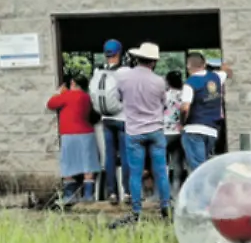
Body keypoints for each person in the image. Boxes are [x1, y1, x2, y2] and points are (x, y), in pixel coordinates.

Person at [111, 41, 171, 227]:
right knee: (161, 172)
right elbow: (164, 104)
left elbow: (119, 98)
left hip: (134, 131)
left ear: (137, 58)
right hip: (155, 130)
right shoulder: (159, 81)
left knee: (135, 174)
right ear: (153, 62)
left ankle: (136, 211)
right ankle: (165, 209)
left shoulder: (124, 79)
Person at [47, 74, 99, 203]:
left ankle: (69, 196)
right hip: (87, 134)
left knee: (68, 164)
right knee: (88, 164)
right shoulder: (86, 97)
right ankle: (88, 195)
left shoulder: (67, 95)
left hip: (69, 134)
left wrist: (58, 93)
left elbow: (51, 104)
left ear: (73, 83)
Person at [92, 39, 131, 205]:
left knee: (109, 156)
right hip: (122, 118)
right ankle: (127, 192)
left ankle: (112, 192)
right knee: (125, 155)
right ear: (119, 53)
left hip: (106, 118)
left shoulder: (98, 71)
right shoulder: (125, 71)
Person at [179, 52, 224, 171]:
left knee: (198, 169)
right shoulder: (216, 77)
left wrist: (182, 123)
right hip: (212, 131)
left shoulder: (190, 83)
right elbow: (227, 71)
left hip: (194, 130)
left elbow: (185, 108)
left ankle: (205, 184)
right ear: (204, 64)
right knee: (206, 165)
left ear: (188, 66)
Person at [163, 70, 186, 189]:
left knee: (163, 161)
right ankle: (176, 187)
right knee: (178, 161)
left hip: (166, 131)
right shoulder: (184, 95)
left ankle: (164, 189)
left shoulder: (165, 95)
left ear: (168, 82)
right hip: (180, 131)